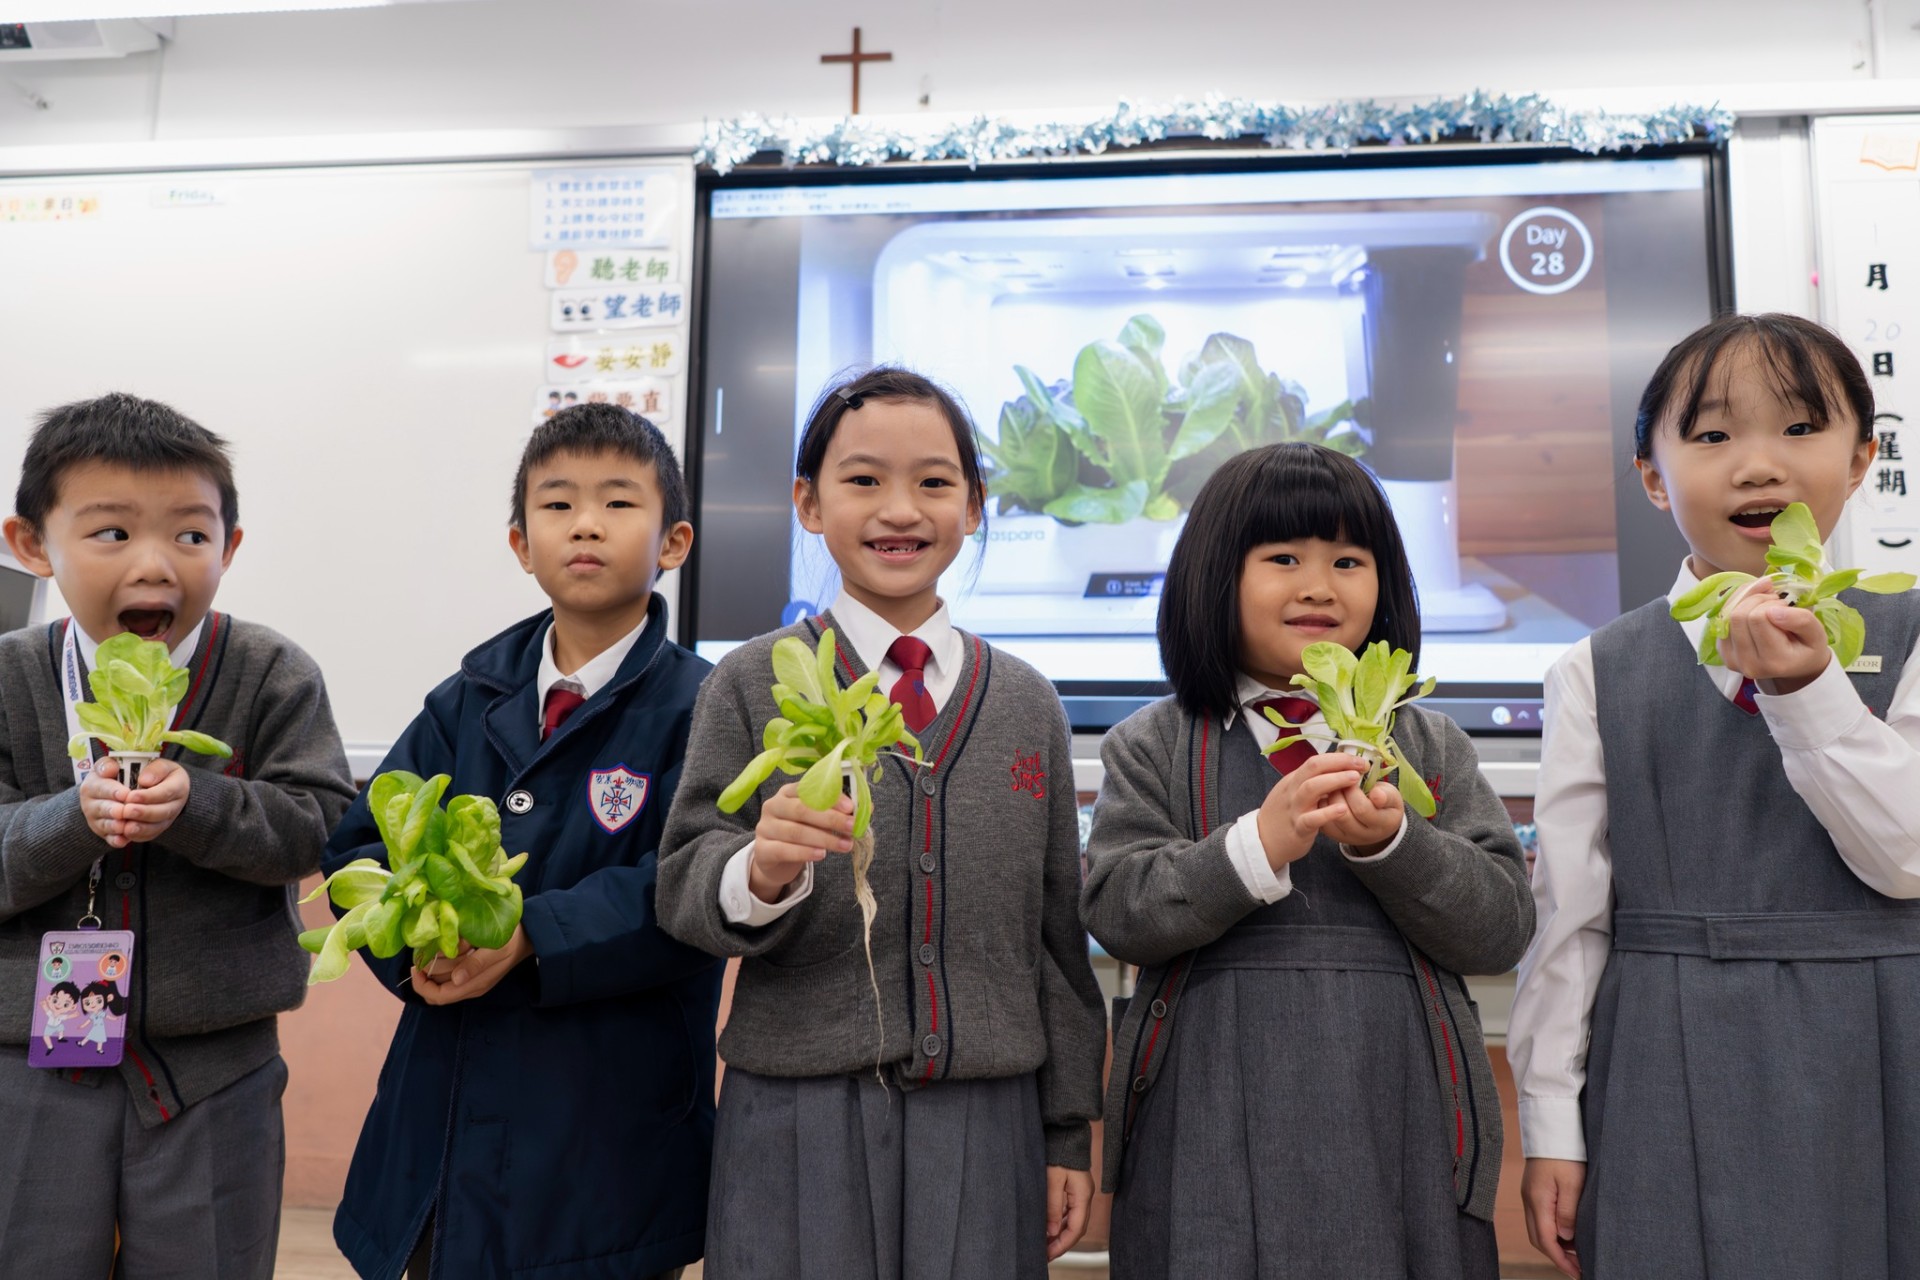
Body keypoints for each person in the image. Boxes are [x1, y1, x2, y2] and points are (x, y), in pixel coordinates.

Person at [657, 367, 1107, 1279]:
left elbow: (1056, 937)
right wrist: (760, 869)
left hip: (987, 1119)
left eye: (935, 483)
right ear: (808, 504)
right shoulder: (749, 680)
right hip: (795, 1114)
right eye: (863, 480)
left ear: (975, 507)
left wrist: (1066, 1126)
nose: (900, 508)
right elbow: (684, 889)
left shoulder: (1027, 704)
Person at [1510, 313, 1920, 1279]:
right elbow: (1568, 919)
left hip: (1887, 1041)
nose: (1758, 467)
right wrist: (1552, 1126)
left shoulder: (1908, 635)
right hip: (1665, 1049)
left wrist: (1806, 692)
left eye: (1800, 428)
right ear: (1653, 476)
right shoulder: (1594, 667)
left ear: (1862, 460)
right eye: (1711, 436)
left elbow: (1906, 857)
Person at [1082, 442, 1532, 1280]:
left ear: (1386, 584)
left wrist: (1393, 845)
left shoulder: (1430, 743)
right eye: (1282, 557)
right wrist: (1258, 845)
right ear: (1216, 577)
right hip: (1202, 1120)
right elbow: (1116, 909)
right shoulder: (1149, 745)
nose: (1318, 585)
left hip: (1404, 1117)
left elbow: (1500, 927)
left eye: (1348, 560)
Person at [321, 402, 720, 1280]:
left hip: (607, 1144)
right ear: (519, 543)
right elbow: (359, 849)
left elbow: (699, 884)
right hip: (440, 1133)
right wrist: (415, 949)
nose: (585, 523)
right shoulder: (466, 696)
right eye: (557, 504)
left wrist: (534, 931)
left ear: (674, 541)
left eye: (618, 503)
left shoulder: (707, 706)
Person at [0, 392, 356, 1278]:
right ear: (30, 544)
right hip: (28, 1070)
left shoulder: (271, 671)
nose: (156, 565)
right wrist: (68, 820)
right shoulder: (8, 678)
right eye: (112, 533)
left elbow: (318, 824)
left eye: (191, 536)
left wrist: (197, 804)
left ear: (229, 548)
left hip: (215, 1069)